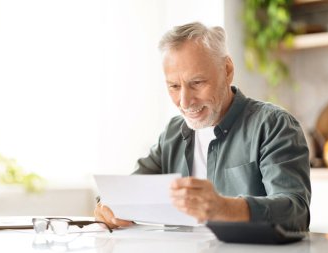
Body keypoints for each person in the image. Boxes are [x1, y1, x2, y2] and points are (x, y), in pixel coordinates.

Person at [94, 22, 311, 231]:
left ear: (227, 70)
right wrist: (108, 206)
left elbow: (297, 213)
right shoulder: (172, 133)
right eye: (174, 86)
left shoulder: (273, 125)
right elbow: (128, 193)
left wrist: (225, 208)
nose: (185, 101)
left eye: (197, 83)